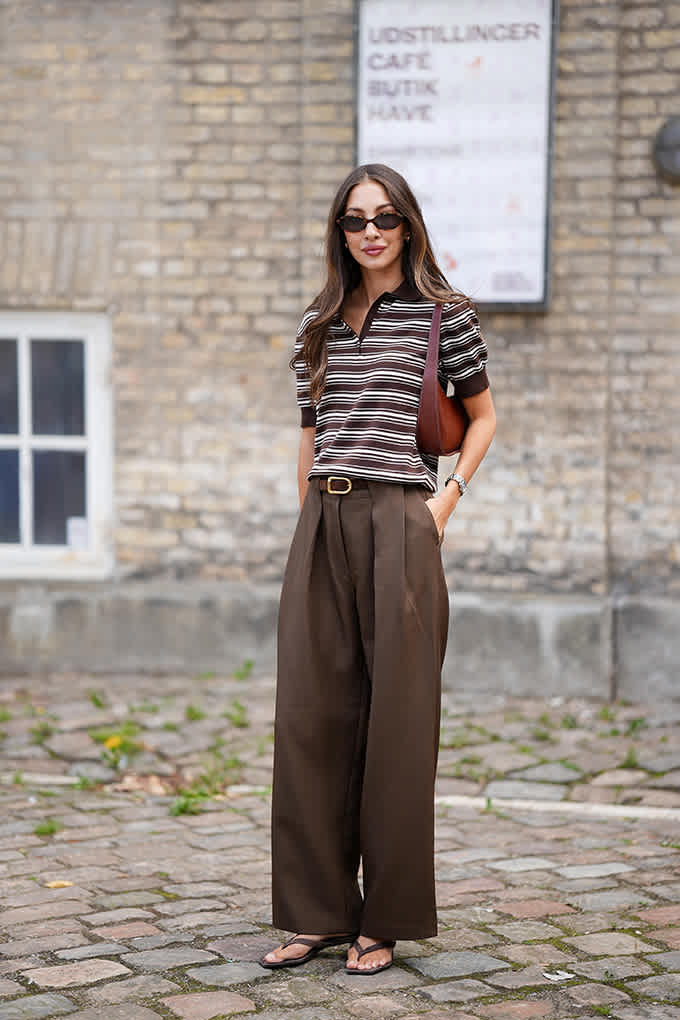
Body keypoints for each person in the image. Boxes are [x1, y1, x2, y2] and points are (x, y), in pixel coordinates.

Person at [261, 164, 496, 975]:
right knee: (310, 719)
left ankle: (384, 919)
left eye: (385, 218)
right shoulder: (317, 324)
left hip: (403, 520)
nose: (370, 231)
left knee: (397, 727)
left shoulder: (444, 318)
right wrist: (308, 521)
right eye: (356, 219)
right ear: (340, 231)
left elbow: (485, 418)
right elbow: (310, 428)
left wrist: (442, 507)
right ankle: (315, 911)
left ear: (408, 226)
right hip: (322, 524)